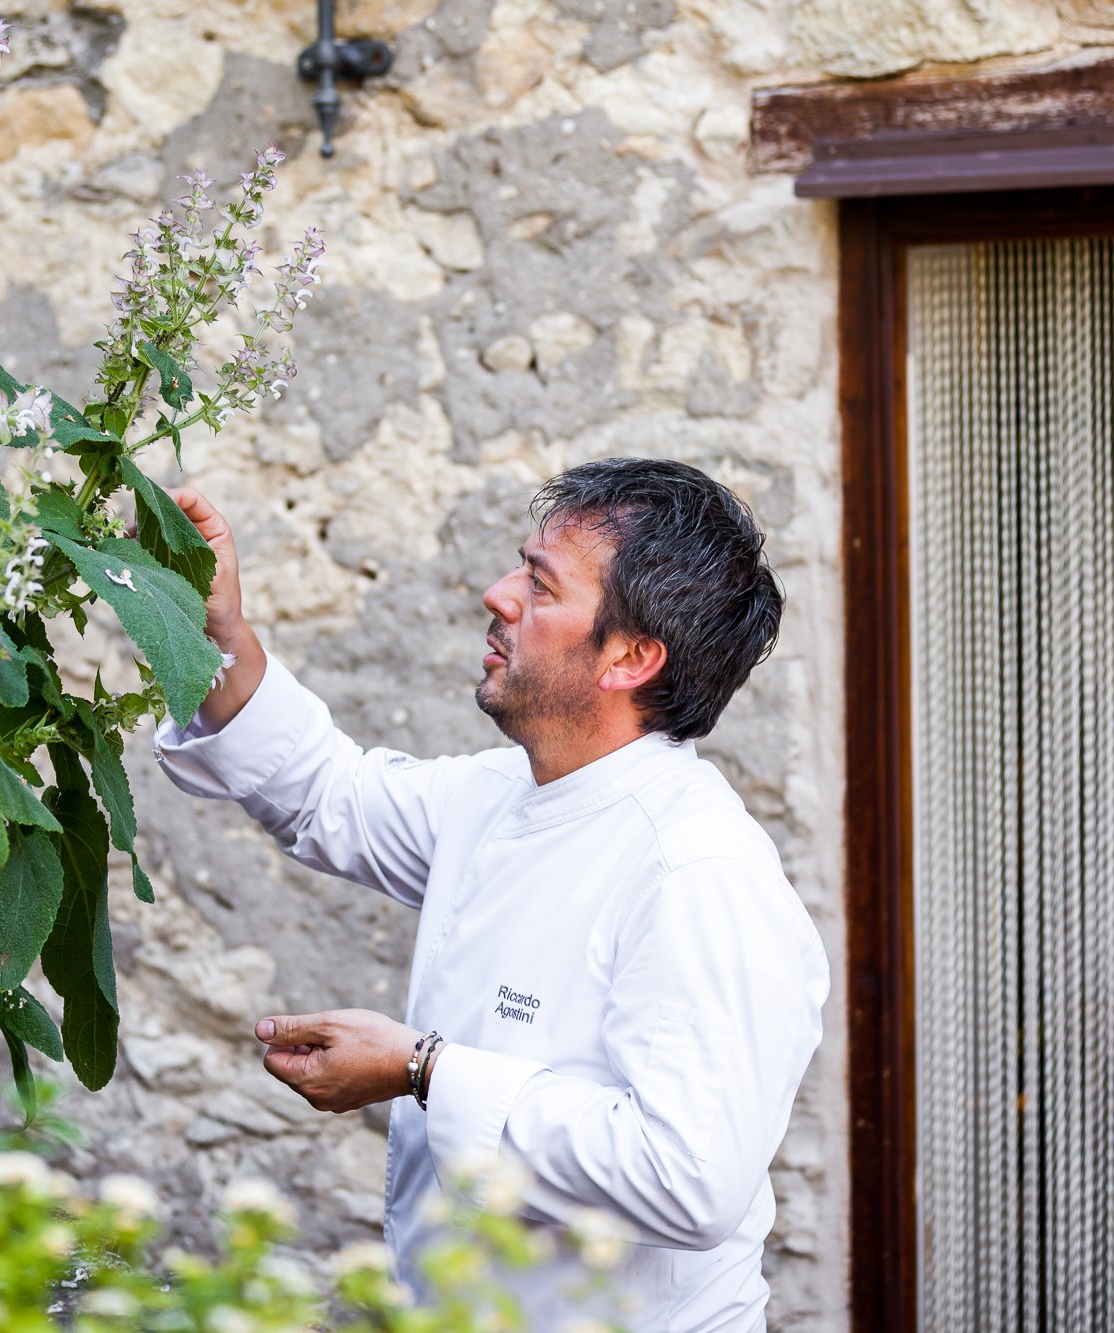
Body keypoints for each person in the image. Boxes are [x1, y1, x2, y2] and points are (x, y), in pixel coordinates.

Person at [152, 457, 829, 1332]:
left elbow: (688, 1175)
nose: (498, 594)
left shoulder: (699, 873)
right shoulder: (500, 794)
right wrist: (217, 627)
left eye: (541, 587)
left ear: (631, 656)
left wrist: (421, 1068)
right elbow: (327, 794)